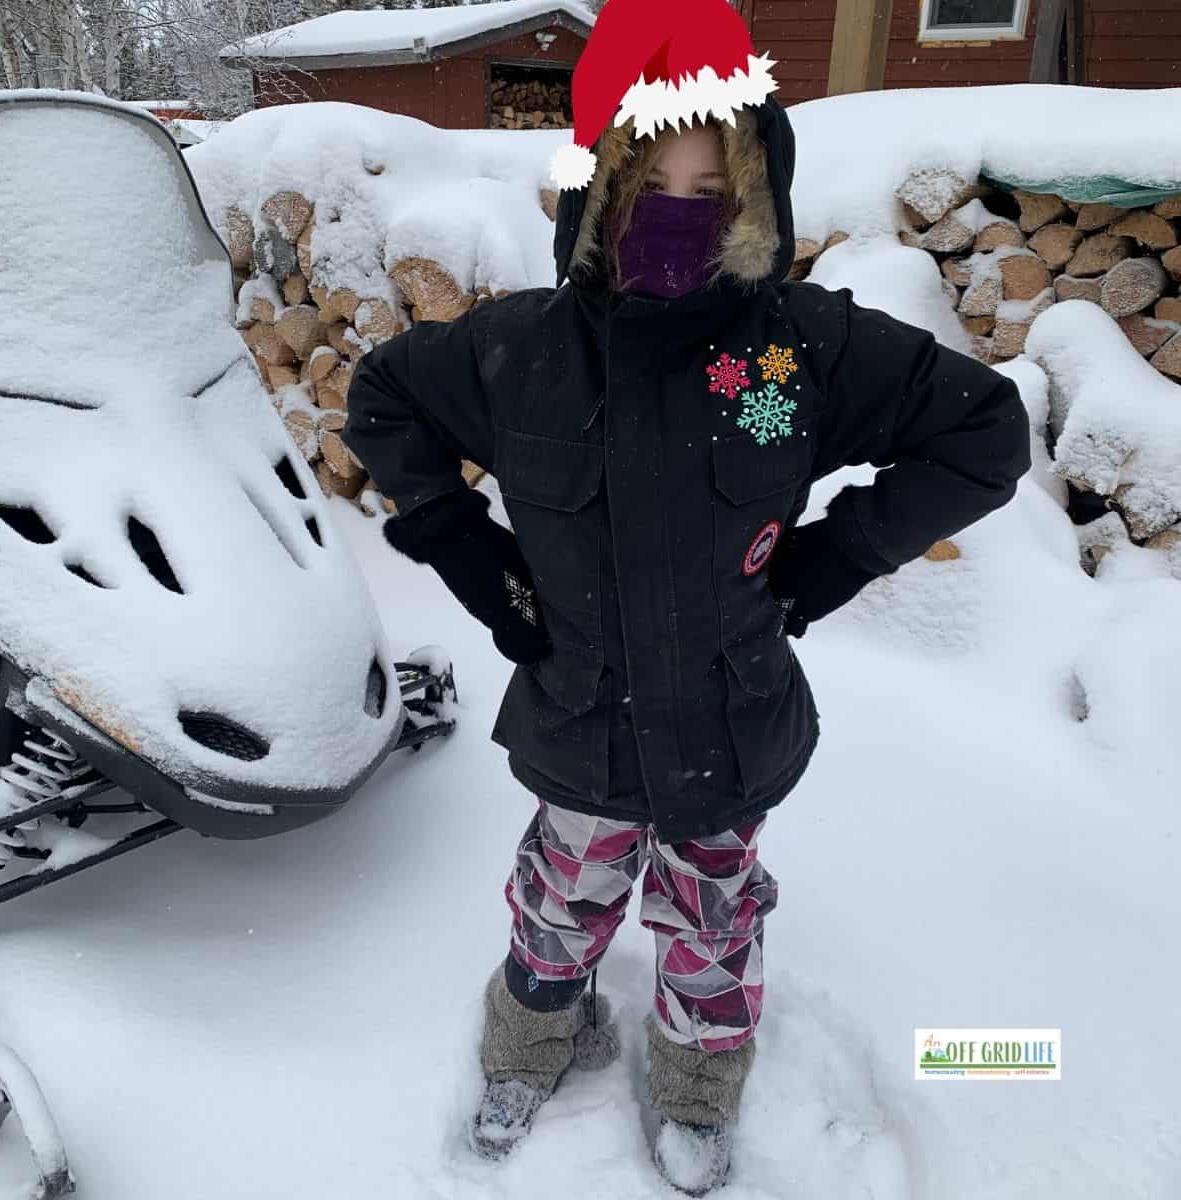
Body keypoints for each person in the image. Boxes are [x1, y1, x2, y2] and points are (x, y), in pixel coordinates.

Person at [343, 3, 1032, 1191]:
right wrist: (465, 547)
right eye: (649, 176)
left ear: (756, 192)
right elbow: (383, 403)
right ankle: (536, 1042)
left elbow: (982, 432)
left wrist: (831, 560)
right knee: (558, 905)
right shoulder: (523, 352)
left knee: (714, 922)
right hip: (575, 717)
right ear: (599, 182)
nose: (676, 210)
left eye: (711, 185)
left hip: (728, 715)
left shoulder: (784, 358)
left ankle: (699, 1083)